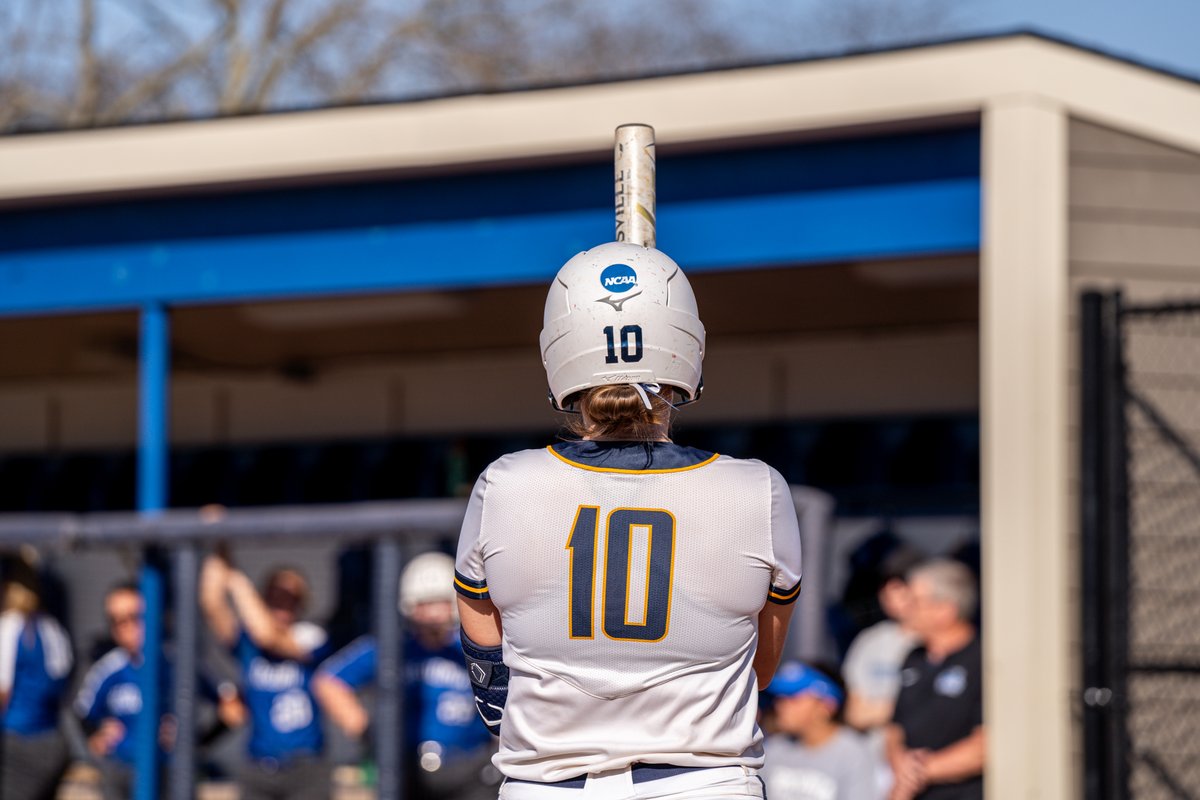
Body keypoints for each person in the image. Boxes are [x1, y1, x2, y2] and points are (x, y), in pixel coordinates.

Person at [453, 242, 803, 799]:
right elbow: (759, 670)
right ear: (687, 349)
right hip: (705, 782)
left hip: (547, 783)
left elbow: (478, 616)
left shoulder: (505, 483)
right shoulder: (757, 488)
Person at [313, 551, 496, 800]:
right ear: (409, 605)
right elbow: (328, 681)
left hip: (468, 766)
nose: (433, 615)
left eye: (439, 603)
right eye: (424, 604)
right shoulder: (393, 647)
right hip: (408, 766)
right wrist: (367, 730)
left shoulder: (470, 647)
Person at [74, 580, 230, 800]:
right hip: (122, 770)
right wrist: (96, 736)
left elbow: (232, 708)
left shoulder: (179, 661)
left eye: (134, 617)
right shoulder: (109, 667)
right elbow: (83, 711)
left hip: (171, 769)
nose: (125, 626)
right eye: (116, 620)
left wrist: (196, 742)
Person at [200, 553, 333, 800]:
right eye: (275, 597)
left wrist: (236, 578)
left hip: (306, 766)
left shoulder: (312, 636)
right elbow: (212, 604)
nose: (282, 605)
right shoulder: (249, 646)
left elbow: (267, 636)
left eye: (291, 599)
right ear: (263, 599)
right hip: (259, 766)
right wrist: (218, 547)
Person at [885, 560, 984, 800]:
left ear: (945, 609)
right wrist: (901, 765)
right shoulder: (913, 657)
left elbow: (987, 744)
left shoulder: (982, 659)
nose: (904, 608)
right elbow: (894, 730)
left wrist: (923, 770)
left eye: (914, 601)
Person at [842, 546, 923, 797]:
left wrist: (881, 709)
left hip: (921, 764)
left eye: (900, 588)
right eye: (886, 591)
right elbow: (855, 714)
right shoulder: (870, 641)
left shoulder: (936, 643)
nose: (891, 598)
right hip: (872, 766)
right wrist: (905, 708)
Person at [0, 554, 74, 800]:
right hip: (52, 740)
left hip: (18, 741)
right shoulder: (52, 627)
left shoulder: (11, 626)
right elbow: (63, 679)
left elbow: (2, 691)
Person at [760, 662, 876, 800]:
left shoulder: (852, 754)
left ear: (827, 705)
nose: (780, 705)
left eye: (792, 698)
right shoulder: (774, 747)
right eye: (780, 698)